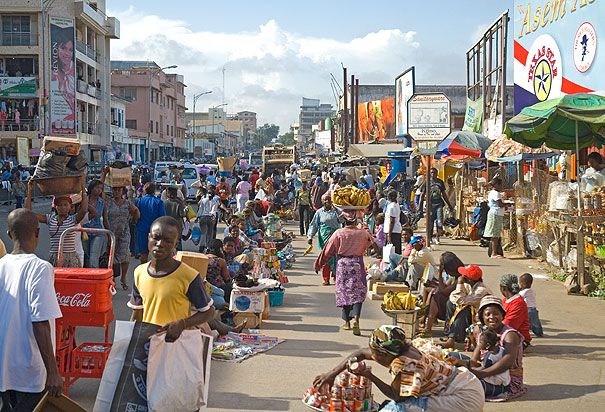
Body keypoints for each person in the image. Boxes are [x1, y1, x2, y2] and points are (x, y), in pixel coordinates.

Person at [314, 325, 485, 412]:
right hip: (466, 382)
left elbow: (398, 397)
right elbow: (359, 353)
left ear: (384, 354)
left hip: (465, 397)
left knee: (396, 409)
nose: (372, 356)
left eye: (375, 353)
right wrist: (332, 373)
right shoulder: (403, 348)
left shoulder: (406, 365)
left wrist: (370, 376)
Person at [0, 209, 64, 409]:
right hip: (28, 371)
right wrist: (52, 372)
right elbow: (40, 322)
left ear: (9, 234)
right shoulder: (40, 268)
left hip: (4, 367)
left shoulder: (1, 264)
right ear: (37, 233)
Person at [128, 216, 215, 342]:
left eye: (167, 241)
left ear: (176, 243)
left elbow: (208, 312)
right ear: (149, 237)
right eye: (156, 238)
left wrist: (183, 324)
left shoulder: (189, 276)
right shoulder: (139, 273)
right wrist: (130, 339)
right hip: (149, 345)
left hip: (176, 345)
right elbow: (137, 313)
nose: (160, 244)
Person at [447, 295, 526, 400]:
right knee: (451, 356)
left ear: (502, 316)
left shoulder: (509, 335)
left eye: (496, 314)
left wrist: (480, 373)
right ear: (482, 318)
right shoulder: (483, 333)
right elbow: (475, 362)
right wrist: (460, 362)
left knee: (465, 385)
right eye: (487, 314)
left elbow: (507, 362)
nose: (492, 317)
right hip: (485, 370)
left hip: (506, 381)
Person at [314, 210, 377, 335]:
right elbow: (373, 244)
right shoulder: (362, 233)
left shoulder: (339, 233)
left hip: (343, 265)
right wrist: (365, 230)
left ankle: (347, 322)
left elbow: (328, 250)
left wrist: (319, 264)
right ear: (356, 220)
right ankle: (356, 318)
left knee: (345, 292)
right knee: (358, 292)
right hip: (358, 264)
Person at [26, 177, 88, 267]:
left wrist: (83, 188)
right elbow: (28, 213)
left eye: (65, 205)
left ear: (70, 207)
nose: (62, 207)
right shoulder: (50, 218)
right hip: (54, 257)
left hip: (70, 259)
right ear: (55, 207)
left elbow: (84, 209)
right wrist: (30, 191)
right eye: (60, 205)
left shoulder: (73, 219)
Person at [442, 264, 492, 349]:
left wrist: (459, 283)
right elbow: (453, 297)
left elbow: (462, 301)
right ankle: (450, 333)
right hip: (472, 313)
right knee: (450, 303)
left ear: (469, 279)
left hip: (480, 317)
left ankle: (452, 339)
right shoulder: (469, 285)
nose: (462, 276)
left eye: (464, 275)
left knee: (464, 310)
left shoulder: (481, 290)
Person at [104, 186, 140, 290]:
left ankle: (123, 278)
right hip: (111, 232)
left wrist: (135, 211)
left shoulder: (128, 203)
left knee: (125, 255)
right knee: (112, 256)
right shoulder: (109, 203)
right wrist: (108, 231)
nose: (116, 192)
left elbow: (137, 216)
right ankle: (113, 278)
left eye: (118, 190)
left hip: (124, 232)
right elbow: (105, 218)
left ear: (122, 191)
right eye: (115, 190)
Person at [421, 252, 464, 335]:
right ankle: (425, 317)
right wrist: (433, 282)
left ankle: (428, 326)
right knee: (430, 290)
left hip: (456, 304)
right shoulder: (454, 276)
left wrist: (440, 274)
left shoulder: (460, 277)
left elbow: (444, 291)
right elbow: (445, 285)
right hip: (450, 299)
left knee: (437, 296)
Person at [308, 194, 342, 286]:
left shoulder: (336, 211)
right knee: (325, 257)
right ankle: (326, 279)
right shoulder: (319, 212)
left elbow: (343, 220)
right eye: (325, 200)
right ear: (322, 201)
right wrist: (310, 237)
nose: (327, 202)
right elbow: (313, 225)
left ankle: (336, 277)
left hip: (335, 237)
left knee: (336, 258)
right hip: (323, 238)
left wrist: (337, 209)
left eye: (329, 200)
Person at [135, 183, 166, 263]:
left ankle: (143, 271)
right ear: (154, 191)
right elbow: (162, 218)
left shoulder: (139, 201)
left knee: (143, 254)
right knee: (156, 252)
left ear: (144, 190)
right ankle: (154, 271)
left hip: (141, 229)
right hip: (155, 231)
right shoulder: (159, 202)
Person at [500, 274, 531, 347]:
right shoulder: (505, 300)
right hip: (507, 333)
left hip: (518, 338)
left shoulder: (518, 303)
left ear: (503, 288)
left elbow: (508, 325)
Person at [425, 168, 453, 245]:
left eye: (434, 173)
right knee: (430, 223)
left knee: (439, 222)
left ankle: (437, 237)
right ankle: (430, 237)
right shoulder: (427, 182)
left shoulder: (440, 182)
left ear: (437, 173)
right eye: (431, 173)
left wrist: (449, 204)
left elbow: (444, 194)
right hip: (430, 206)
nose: (433, 174)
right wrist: (419, 207)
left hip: (439, 205)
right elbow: (421, 195)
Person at [84, 178, 106, 268]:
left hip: (98, 232)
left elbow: (105, 219)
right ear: (91, 188)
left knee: (94, 257)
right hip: (84, 231)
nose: (98, 190)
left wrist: (108, 233)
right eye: (97, 187)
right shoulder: (84, 200)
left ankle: (94, 277)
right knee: (87, 256)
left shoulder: (102, 202)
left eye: (100, 188)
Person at [484, 178, 506, 258]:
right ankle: (494, 253)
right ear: (496, 185)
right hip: (495, 214)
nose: (501, 186)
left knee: (496, 234)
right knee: (495, 235)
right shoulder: (495, 193)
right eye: (500, 185)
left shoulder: (494, 193)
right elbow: (500, 204)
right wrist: (507, 205)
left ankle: (494, 252)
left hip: (497, 214)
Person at [519, 273, 543, 337]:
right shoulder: (531, 290)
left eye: (520, 283)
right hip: (533, 309)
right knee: (536, 322)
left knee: (526, 322)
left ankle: (524, 333)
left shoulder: (524, 291)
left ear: (523, 284)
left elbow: (519, 296)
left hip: (528, 309)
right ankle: (539, 332)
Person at [163, 186, 186, 251]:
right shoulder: (179, 203)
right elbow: (182, 214)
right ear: (175, 194)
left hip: (167, 224)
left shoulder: (164, 203)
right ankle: (178, 255)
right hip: (177, 224)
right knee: (178, 240)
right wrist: (186, 211)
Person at [196, 186, 219, 252]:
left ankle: (201, 246)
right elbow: (213, 211)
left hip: (202, 217)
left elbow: (199, 208)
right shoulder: (214, 201)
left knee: (203, 233)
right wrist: (213, 218)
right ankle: (208, 247)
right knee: (210, 233)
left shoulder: (203, 199)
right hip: (210, 218)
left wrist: (197, 217)